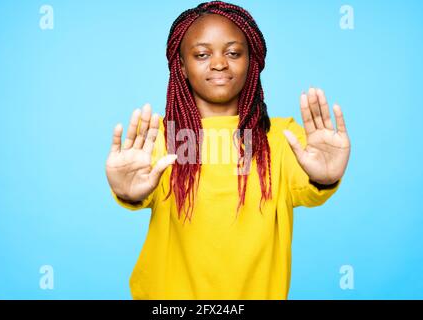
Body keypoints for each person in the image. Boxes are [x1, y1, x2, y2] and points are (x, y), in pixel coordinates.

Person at [105, 1, 351, 299]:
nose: (219, 63)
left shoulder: (283, 139)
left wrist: (324, 177)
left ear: (252, 61)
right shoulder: (158, 139)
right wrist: (128, 192)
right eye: (202, 54)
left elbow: (308, 188)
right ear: (181, 66)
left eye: (233, 52)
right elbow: (138, 192)